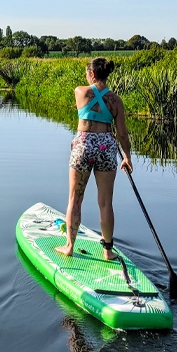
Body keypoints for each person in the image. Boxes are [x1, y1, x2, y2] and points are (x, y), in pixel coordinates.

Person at [55, 57, 133, 261]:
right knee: (106, 203)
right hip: (107, 146)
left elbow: (89, 100)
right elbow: (123, 134)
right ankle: (107, 251)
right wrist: (127, 157)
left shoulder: (80, 92)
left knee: (75, 198)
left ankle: (69, 246)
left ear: (92, 74)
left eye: (86, 72)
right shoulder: (116, 100)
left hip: (83, 145)